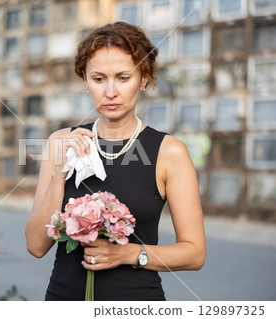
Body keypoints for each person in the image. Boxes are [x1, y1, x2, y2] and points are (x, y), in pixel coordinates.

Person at [25, 22, 205, 301]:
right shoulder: (60, 143)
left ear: (144, 78)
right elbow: (36, 246)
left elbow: (194, 253)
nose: (110, 92)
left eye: (123, 77)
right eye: (98, 79)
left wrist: (128, 253)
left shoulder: (170, 152)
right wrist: (59, 174)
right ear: (85, 81)